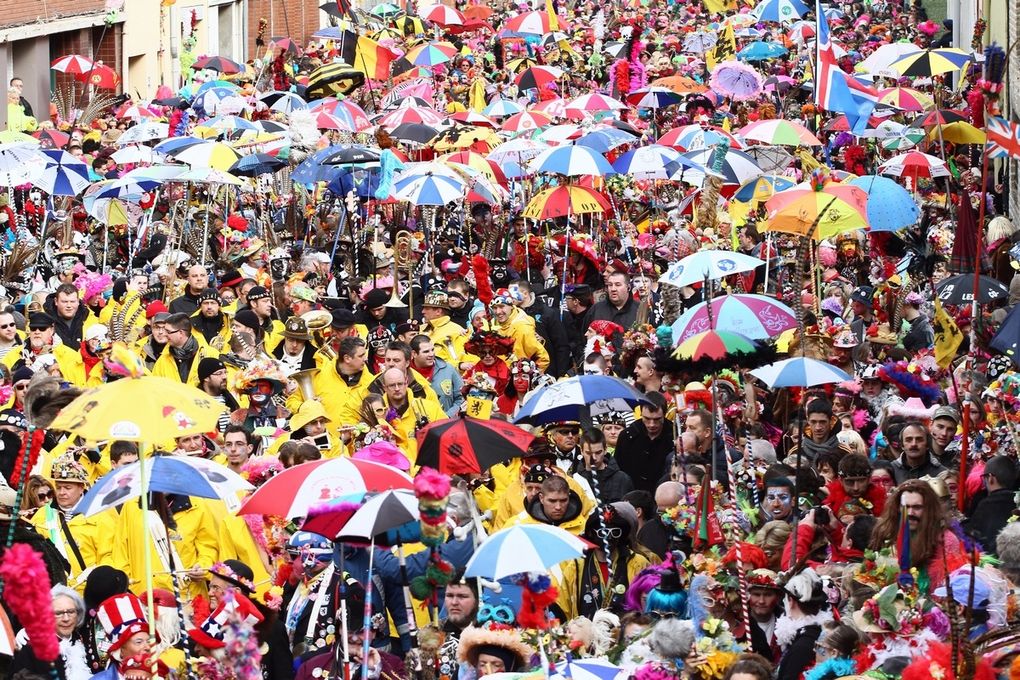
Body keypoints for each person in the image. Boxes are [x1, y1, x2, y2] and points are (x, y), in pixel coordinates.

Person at [869, 480, 963, 589]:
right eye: (905, 507)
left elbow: (949, 586)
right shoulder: (885, 532)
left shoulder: (945, 539)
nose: (910, 513)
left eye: (917, 507)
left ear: (929, 509)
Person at [9, 584, 91, 679]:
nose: (66, 618)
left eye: (71, 612)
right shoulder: (33, 649)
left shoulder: (83, 639)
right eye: (58, 613)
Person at [616, 392, 673, 494]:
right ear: (641, 413)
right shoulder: (627, 436)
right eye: (647, 419)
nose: (652, 424)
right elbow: (618, 469)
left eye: (657, 419)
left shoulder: (674, 436)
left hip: (663, 496)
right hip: (631, 495)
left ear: (664, 415)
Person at [965, 455, 1019, 554]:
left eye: (984, 477)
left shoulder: (986, 505)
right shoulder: (1017, 503)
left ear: (990, 478)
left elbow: (973, 538)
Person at [410, 334, 464, 416]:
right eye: (426, 351)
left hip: (447, 423)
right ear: (414, 354)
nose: (431, 354)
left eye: (432, 350)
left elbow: (461, 398)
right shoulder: (406, 374)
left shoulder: (448, 369)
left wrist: (447, 416)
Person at [579, 428, 634, 504]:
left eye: (598, 452)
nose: (594, 458)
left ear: (605, 450)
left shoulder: (622, 479)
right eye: (589, 453)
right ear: (581, 451)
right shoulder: (576, 480)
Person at [746, 569, 784, 663]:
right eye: (756, 594)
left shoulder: (788, 621)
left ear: (777, 597)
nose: (761, 601)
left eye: (767, 595)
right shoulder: (738, 626)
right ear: (748, 596)